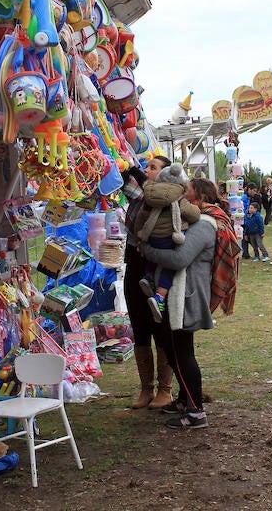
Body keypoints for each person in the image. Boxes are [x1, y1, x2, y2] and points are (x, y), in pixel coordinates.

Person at [142, 178, 221, 429]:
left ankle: (196, 412)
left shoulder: (205, 224)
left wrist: (147, 251)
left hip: (186, 298)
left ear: (200, 198)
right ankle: (186, 400)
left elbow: (180, 258)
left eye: (187, 192)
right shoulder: (193, 222)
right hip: (179, 296)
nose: (182, 196)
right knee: (174, 350)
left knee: (183, 353)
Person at [121, 157, 174, 410]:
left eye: (153, 168)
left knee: (162, 329)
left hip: (158, 270)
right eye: (147, 166)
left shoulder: (167, 199)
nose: (146, 170)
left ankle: (165, 390)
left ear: (165, 175)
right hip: (134, 267)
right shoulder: (138, 198)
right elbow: (124, 186)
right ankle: (146, 389)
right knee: (140, 328)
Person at [134, 163, 200, 322]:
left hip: (152, 236)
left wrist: (139, 236)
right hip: (169, 239)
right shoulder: (178, 197)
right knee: (169, 266)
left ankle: (148, 276)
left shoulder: (149, 195)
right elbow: (194, 215)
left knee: (154, 257)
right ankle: (160, 296)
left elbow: (140, 217)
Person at [240, 183, 262, 259]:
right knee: (247, 237)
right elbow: (243, 209)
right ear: (249, 189)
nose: (255, 193)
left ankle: (247, 253)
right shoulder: (244, 198)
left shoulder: (250, 198)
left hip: (247, 219)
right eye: (254, 191)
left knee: (248, 237)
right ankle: (246, 253)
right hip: (245, 219)